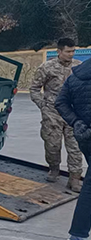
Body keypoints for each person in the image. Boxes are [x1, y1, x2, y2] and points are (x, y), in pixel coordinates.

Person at [30, 37, 83, 191]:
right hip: (53, 113)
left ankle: (75, 178)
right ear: (59, 51)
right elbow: (34, 88)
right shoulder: (47, 67)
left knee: (75, 146)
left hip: (73, 114)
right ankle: (54, 168)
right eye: (68, 51)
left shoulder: (79, 67)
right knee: (52, 145)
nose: (71, 54)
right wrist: (43, 106)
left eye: (73, 51)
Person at [55, 54, 91, 240]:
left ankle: (79, 233)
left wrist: (76, 122)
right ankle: (78, 233)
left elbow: (60, 102)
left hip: (84, 136)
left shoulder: (76, 76)